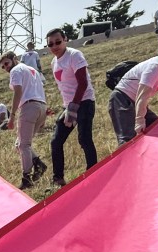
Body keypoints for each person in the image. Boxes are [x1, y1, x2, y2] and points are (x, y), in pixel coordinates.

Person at [46, 27, 98, 187]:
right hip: (68, 106)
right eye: (50, 44)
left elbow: (83, 83)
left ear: (65, 39)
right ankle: (58, 179)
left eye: (58, 42)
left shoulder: (74, 55)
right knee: (56, 141)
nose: (55, 46)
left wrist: (73, 108)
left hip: (84, 102)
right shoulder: (54, 62)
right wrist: (66, 108)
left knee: (84, 139)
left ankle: (93, 173)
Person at [0, 50, 49, 190]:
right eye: (3, 67)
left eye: (6, 64)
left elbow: (18, 92)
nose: (6, 68)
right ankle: (38, 164)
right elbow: (40, 89)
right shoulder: (32, 70)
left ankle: (26, 178)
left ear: (14, 59)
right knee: (19, 145)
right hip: (41, 106)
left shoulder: (16, 70)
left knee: (24, 145)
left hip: (29, 107)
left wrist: (12, 115)